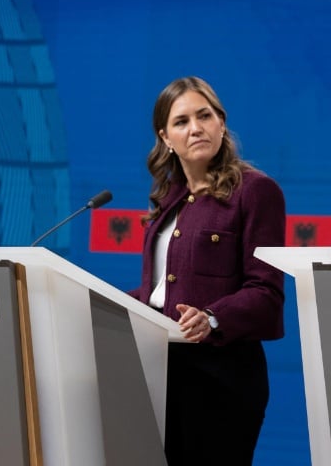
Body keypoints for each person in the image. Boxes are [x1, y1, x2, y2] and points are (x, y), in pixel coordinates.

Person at [128, 76, 286, 466]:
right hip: (161, 373)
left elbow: (266, 291)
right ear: (165, 137)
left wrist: (213, 318)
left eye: (205, 116)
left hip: (222, 378)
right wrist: (99, 301)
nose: (196, 128)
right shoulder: (168, 199)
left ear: (221, 123)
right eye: (181, 122)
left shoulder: (256, 191)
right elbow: (158, 292)